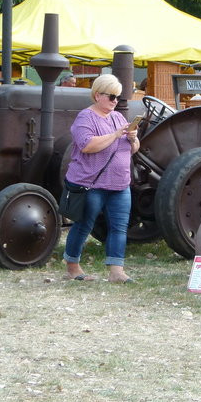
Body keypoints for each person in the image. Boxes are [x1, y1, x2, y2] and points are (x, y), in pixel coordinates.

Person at [62, 74, 140, 283]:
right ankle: (72, 266)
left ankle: (117, 271)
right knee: (83, 225)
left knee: (119, 227)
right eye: (111, 96)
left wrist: (133, 139)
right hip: (91, 184)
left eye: (118, 97)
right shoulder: (85, 118)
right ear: (97, 95)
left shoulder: (118, 117)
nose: (115, 101)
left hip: (120, 184)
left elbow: (132, 149)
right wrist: (115, 135)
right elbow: (87, 145)